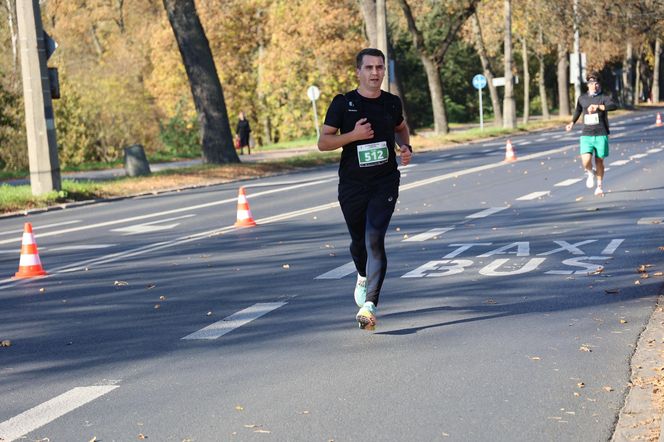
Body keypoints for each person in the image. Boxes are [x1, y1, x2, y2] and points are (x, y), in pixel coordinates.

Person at [318, 48, 412, 330]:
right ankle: (361, 273)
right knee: (358, 242)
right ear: (358, 71)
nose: (375, 73)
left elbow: (401, 128)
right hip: (352, 185)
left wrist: (405, 148)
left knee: (374, 238)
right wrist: (354, 136)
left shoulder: (392, 102)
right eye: (369, 68)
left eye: (380, 68)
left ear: (385, 71)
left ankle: (370, 304)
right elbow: (323, 142)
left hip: (384, 181)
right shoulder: (343, 103)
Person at [565, 72, 617, 196]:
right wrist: (572, 122)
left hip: (601, 133)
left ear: (599, 85)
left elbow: (613, 106)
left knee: (599, 161)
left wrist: (599, 107)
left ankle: (599, 187)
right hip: (586, 134)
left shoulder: (604, 97)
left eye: (596, 83)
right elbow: (578, 110)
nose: (594, 86)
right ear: (588, 85)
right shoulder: (582, 98)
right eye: (591, 83)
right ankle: (589, 172)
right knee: (585, 160)